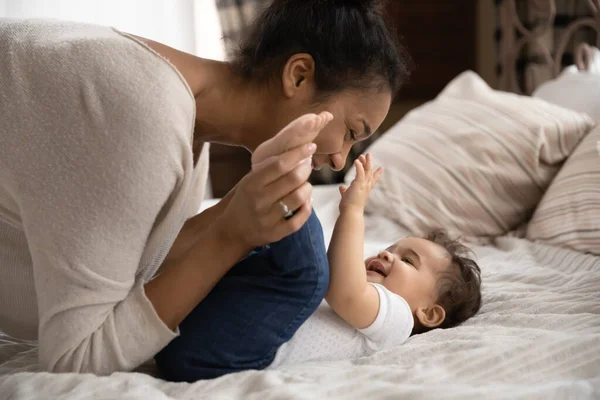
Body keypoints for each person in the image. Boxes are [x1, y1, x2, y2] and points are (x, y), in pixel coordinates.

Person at [0, 0, 411, 374]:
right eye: (351, 131)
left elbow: (135, 259)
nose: (341, 159)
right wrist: (230, 236)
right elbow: (75, 358)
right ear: (299, 75)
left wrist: (235, 215)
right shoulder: (145, 113)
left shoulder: (182, 120)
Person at [155, 153, 483, 382]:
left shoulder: (398, 319)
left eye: (408, 260)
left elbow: (344, 292)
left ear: (429, 313)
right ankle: (269, 190)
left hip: (225, 353)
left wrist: (353, 211)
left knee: (309, 257)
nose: (387, 255)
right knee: (273, 252)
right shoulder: (381, 298)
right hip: (192, 332)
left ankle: (280, 175)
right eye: (391, 249)